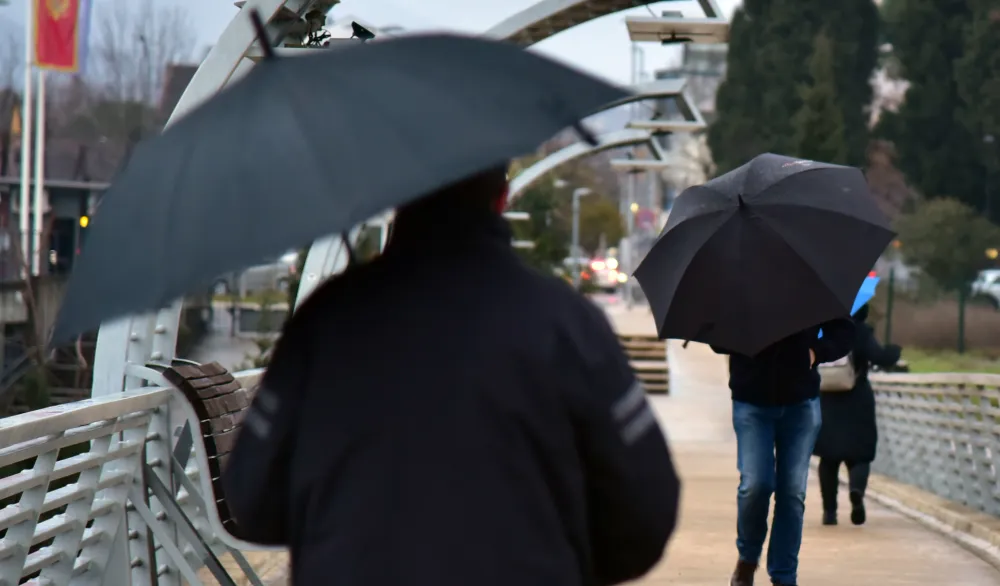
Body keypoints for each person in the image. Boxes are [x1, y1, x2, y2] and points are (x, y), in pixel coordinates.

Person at [222, 165, 682, 586]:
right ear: (501, 198)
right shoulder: (568, 326)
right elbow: (646, 509)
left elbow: (253, 500)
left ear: (396, 198)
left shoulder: (323, 322)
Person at [712, 317, 855, 586]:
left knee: (792, 492)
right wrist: (744, 338)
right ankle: (748, 557)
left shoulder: (811, 290)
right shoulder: (740, 292)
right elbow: (716, 339)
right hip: (751, 399)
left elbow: (844, 331)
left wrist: (816, 352)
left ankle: (784, 576)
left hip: (801, 401)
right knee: (756, 485)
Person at [813, 303, 901, 526]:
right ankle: (856, 491)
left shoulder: (823, 331)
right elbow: (880, 356)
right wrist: (895, 351)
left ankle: (829, 512)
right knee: (860, 454)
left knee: (828, 458)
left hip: (827, 398)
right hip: (857, 399)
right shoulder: (860, 331)